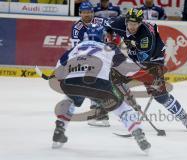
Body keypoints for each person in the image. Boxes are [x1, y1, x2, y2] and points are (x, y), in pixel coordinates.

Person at [51, 24, 151, 153]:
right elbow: (128, 69)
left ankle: (59, 129)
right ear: (103, 37)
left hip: (72, 81)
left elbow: (58, 70)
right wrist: (148, 73)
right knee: (121, 106)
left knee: (69, 98)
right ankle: (138, 133)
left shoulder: (76, 47)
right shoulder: (109, 48)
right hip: (98, 83)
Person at [105, 8, 187, 131]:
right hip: (135, 59)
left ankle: (184, 117)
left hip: (152, 62)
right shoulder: (120, 22)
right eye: (130, 23)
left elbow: (141, 64)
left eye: (135, 24)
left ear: (140, 23)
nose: (132, 27)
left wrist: (118, 58)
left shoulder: (146, 36)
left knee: (161, 96)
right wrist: (110, 41)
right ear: (125, 21)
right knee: (113, 79)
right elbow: (106, 27)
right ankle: (131, 108)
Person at [71, 1, 111, 127]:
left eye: (89, 12)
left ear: (93, 12)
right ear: (80, 13)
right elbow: (76, 48)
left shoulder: (102, 21)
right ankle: (100, 113)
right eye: (84, 12)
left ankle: (105, 112)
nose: (87, 14)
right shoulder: (76, 27)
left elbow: (114, 31)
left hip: (104, 57)